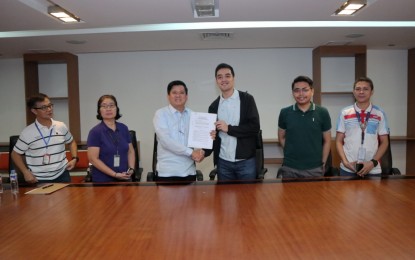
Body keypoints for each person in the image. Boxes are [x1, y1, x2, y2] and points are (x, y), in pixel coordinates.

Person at [205, 63, 260, 181]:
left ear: (233, 78)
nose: (223, 79)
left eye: (227, 76)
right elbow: (211, 136)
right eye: (220, 77)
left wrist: (229, 129)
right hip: (223, 162)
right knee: (224, 199)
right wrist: (203, 149)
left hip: (246, 162)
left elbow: (254, 127)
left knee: (248, 198)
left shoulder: (247, 99)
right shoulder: (213, 106)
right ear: (216, 81)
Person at [11, 93, 78, 183]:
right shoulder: (27, 132)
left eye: (50, 105)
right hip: (39, 179)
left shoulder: (61, 126)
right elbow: (15, 154)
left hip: (62, 174)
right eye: (44, 108)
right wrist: (25, 172)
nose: (49, 109)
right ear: (34, 111)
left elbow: (71, 141)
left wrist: (74, 158)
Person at [277, 75, 332, 178]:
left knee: (315, 194)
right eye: (297, 90)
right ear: (293, 93)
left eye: (305, 90)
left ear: (312, 91)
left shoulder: (322, 112)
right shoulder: (285, 112)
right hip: (290, 168)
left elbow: (327, 140)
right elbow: (281, 137)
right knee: (289, 194)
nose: (301, 94)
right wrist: (291, 152)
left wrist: (323, 163)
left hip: (314, 168)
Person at [153, 80, 207, 182]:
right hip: (167, 173)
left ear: (186, 96)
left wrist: (202, 150)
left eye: (182, 93)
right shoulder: (161, 114)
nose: (178, 95)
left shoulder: (193, 115)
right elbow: (166, 141)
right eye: (174, 93)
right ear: (168, 96)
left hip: (189, 172)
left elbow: (198, 141)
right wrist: (191, 152)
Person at [336, 77, 389, 177]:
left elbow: (385, 142)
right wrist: (345, 162)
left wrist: (373, 162)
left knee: (374, 193)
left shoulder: (379, 113)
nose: (361, 92)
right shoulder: (345, 113)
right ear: (353, 91)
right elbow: (338, 141)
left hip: (372, 168)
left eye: (365, 89)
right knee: (346, 193)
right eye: (358, 89)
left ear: (372, 92)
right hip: (349, 167)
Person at [87, 95, 135, 182]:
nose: (108, 109)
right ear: (99, 110)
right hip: (103, 181)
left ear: (116, 108)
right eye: (104, 106)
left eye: (111, 105)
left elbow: (130, 151)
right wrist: (115, 174)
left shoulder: (123, 128)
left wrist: (131, 169)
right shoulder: (95, 132)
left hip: (124, 177)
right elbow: (93, 159)